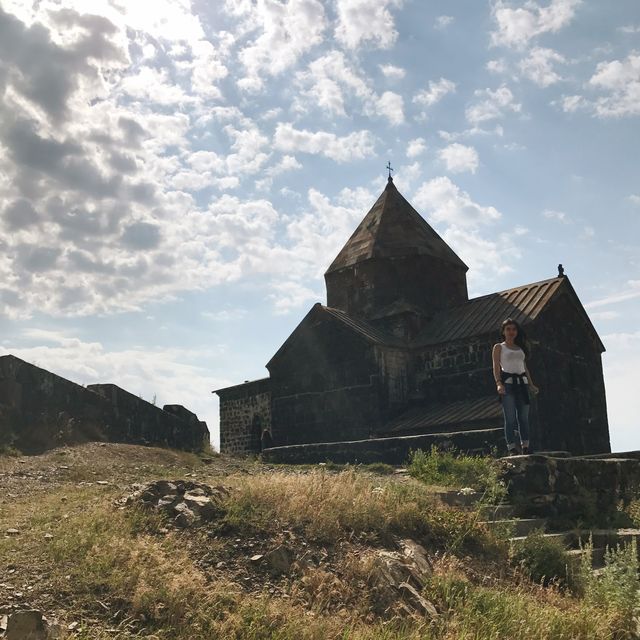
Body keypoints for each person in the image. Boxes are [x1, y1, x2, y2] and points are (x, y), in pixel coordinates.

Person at [492, 318, 539, 455]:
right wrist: (498, 383)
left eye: (514, 329)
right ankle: (512, 447)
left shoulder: (520, 348)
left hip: (522, 384)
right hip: (508, 384)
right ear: (503, 331)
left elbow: (524, 367)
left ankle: (525, 446)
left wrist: (531, 384)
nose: (511, 332)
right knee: (510, 418)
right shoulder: (499, 347)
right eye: (508, 329)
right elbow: (495, 365)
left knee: (523, 418)